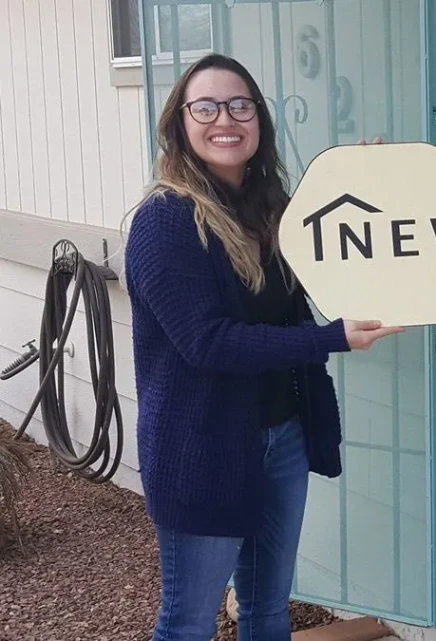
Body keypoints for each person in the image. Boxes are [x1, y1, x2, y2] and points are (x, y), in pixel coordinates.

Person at [123, 53, 399, 641]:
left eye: (240, 104)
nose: (225, 118)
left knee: (268, 609)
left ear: (259, 120)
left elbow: (336, 247)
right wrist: (332, 338)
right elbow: (208, 342)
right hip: (202, 450)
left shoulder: (271, 208)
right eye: (206, 106)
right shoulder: (165, 220)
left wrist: (363, 182)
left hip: (282, 437)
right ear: (180, 123)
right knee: (188, 621)